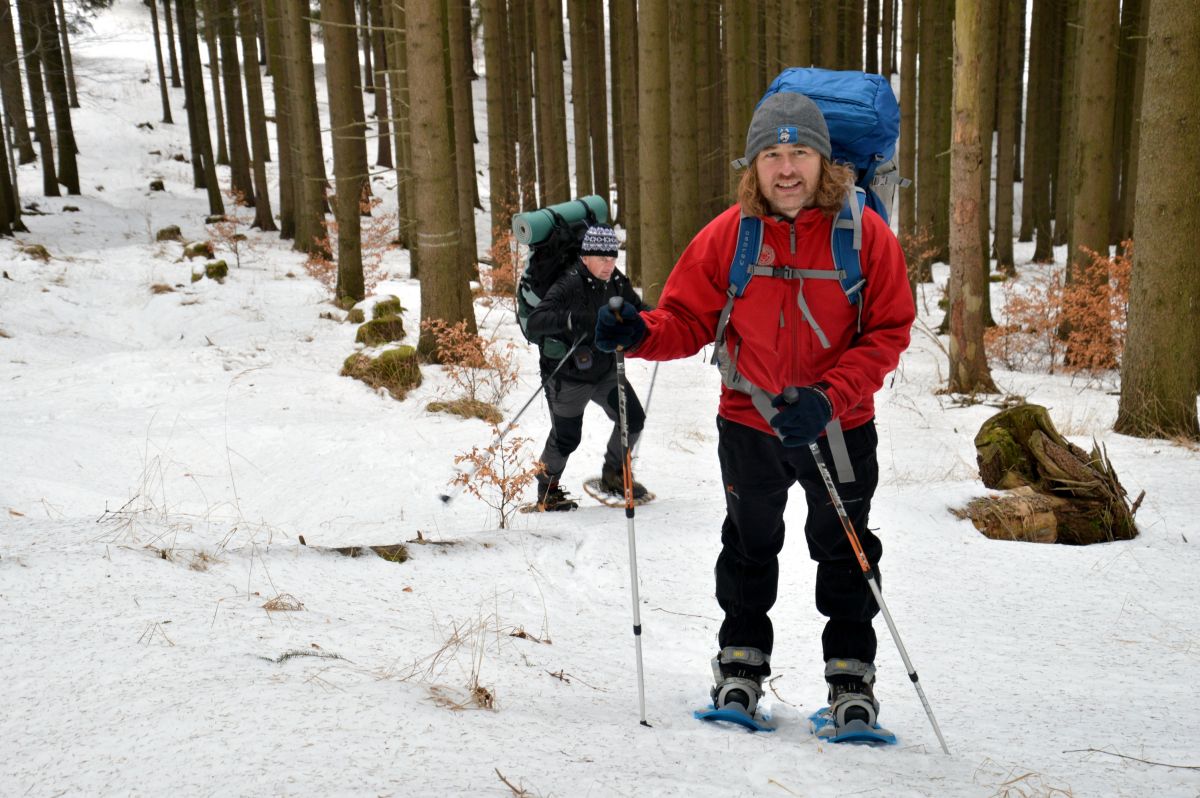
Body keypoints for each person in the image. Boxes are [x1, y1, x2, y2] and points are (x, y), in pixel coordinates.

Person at [594, 91, 914, 730]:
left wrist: (829, 396)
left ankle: (852, 679)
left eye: (800, 152)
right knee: (749, 542)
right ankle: (740, 667)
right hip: (749, 421)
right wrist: (637, 333)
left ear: (825, 162)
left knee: (846, 547)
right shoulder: (729, 234)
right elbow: (685, 319)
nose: (787, 168)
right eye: (773, 154)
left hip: (838, 425)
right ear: (753, 164)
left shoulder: (863, 232)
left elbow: (889, 330)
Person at [525, 223, 651, 512]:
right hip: (569, 375)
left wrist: (660, 320)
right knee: (566, 437)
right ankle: (548, 489)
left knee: (633, 418)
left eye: (613, 258)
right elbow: (537, 321)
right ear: (585, 257)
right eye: (603, 259)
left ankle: (613, 475)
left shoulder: (615, 281)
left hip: (605, 370)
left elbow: (637, 306)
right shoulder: (568, 283)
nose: (609, 265)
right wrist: (574, 319)